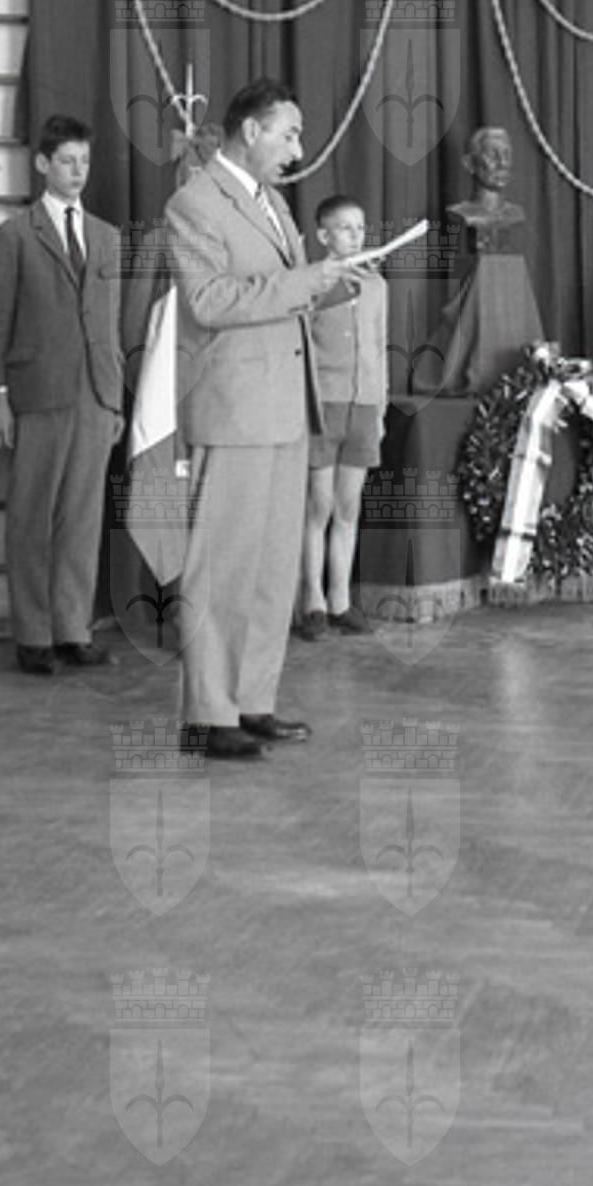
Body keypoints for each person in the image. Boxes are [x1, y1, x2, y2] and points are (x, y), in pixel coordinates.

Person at [165, 78, 355, 760]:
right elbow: (209, 301)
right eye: (289, 134)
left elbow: (278, 299)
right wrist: (305, 282)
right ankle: (207, 713)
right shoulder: (194, 203)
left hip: (284, 408)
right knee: (221, 567)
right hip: (234, 410)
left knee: (273, 569)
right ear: (250, 131)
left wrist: (333, 286)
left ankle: (252, 700)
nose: (297, 149)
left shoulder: (273, 204)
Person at [0, 113, 124, 676]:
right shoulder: (15, 236)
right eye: (66, 161)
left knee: (82, 518)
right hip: (37, 393)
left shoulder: (107, 237)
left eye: (84, 161)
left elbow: (109, 325)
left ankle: (72, 630)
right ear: (43, 164)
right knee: (32, 516)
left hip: (95, 393)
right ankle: (33, 635)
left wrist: (113, 399)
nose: (77, 171)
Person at [298, 194, 388, 638]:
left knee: (348, 506)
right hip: (323, 406)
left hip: (363, 407)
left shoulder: (377, 285)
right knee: (319, 505)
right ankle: (312, 601)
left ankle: (340, 601)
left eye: (360, 227)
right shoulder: (311, 284)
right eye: (345, 228)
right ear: (323, 236)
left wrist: (380, 407)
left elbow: (380, 346)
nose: (355, 235)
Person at [418, 126, 544, 396]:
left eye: (507, 154)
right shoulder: (462, 213)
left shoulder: (515, 213)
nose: (502, 162)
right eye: (492, 154)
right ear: (470, 164)